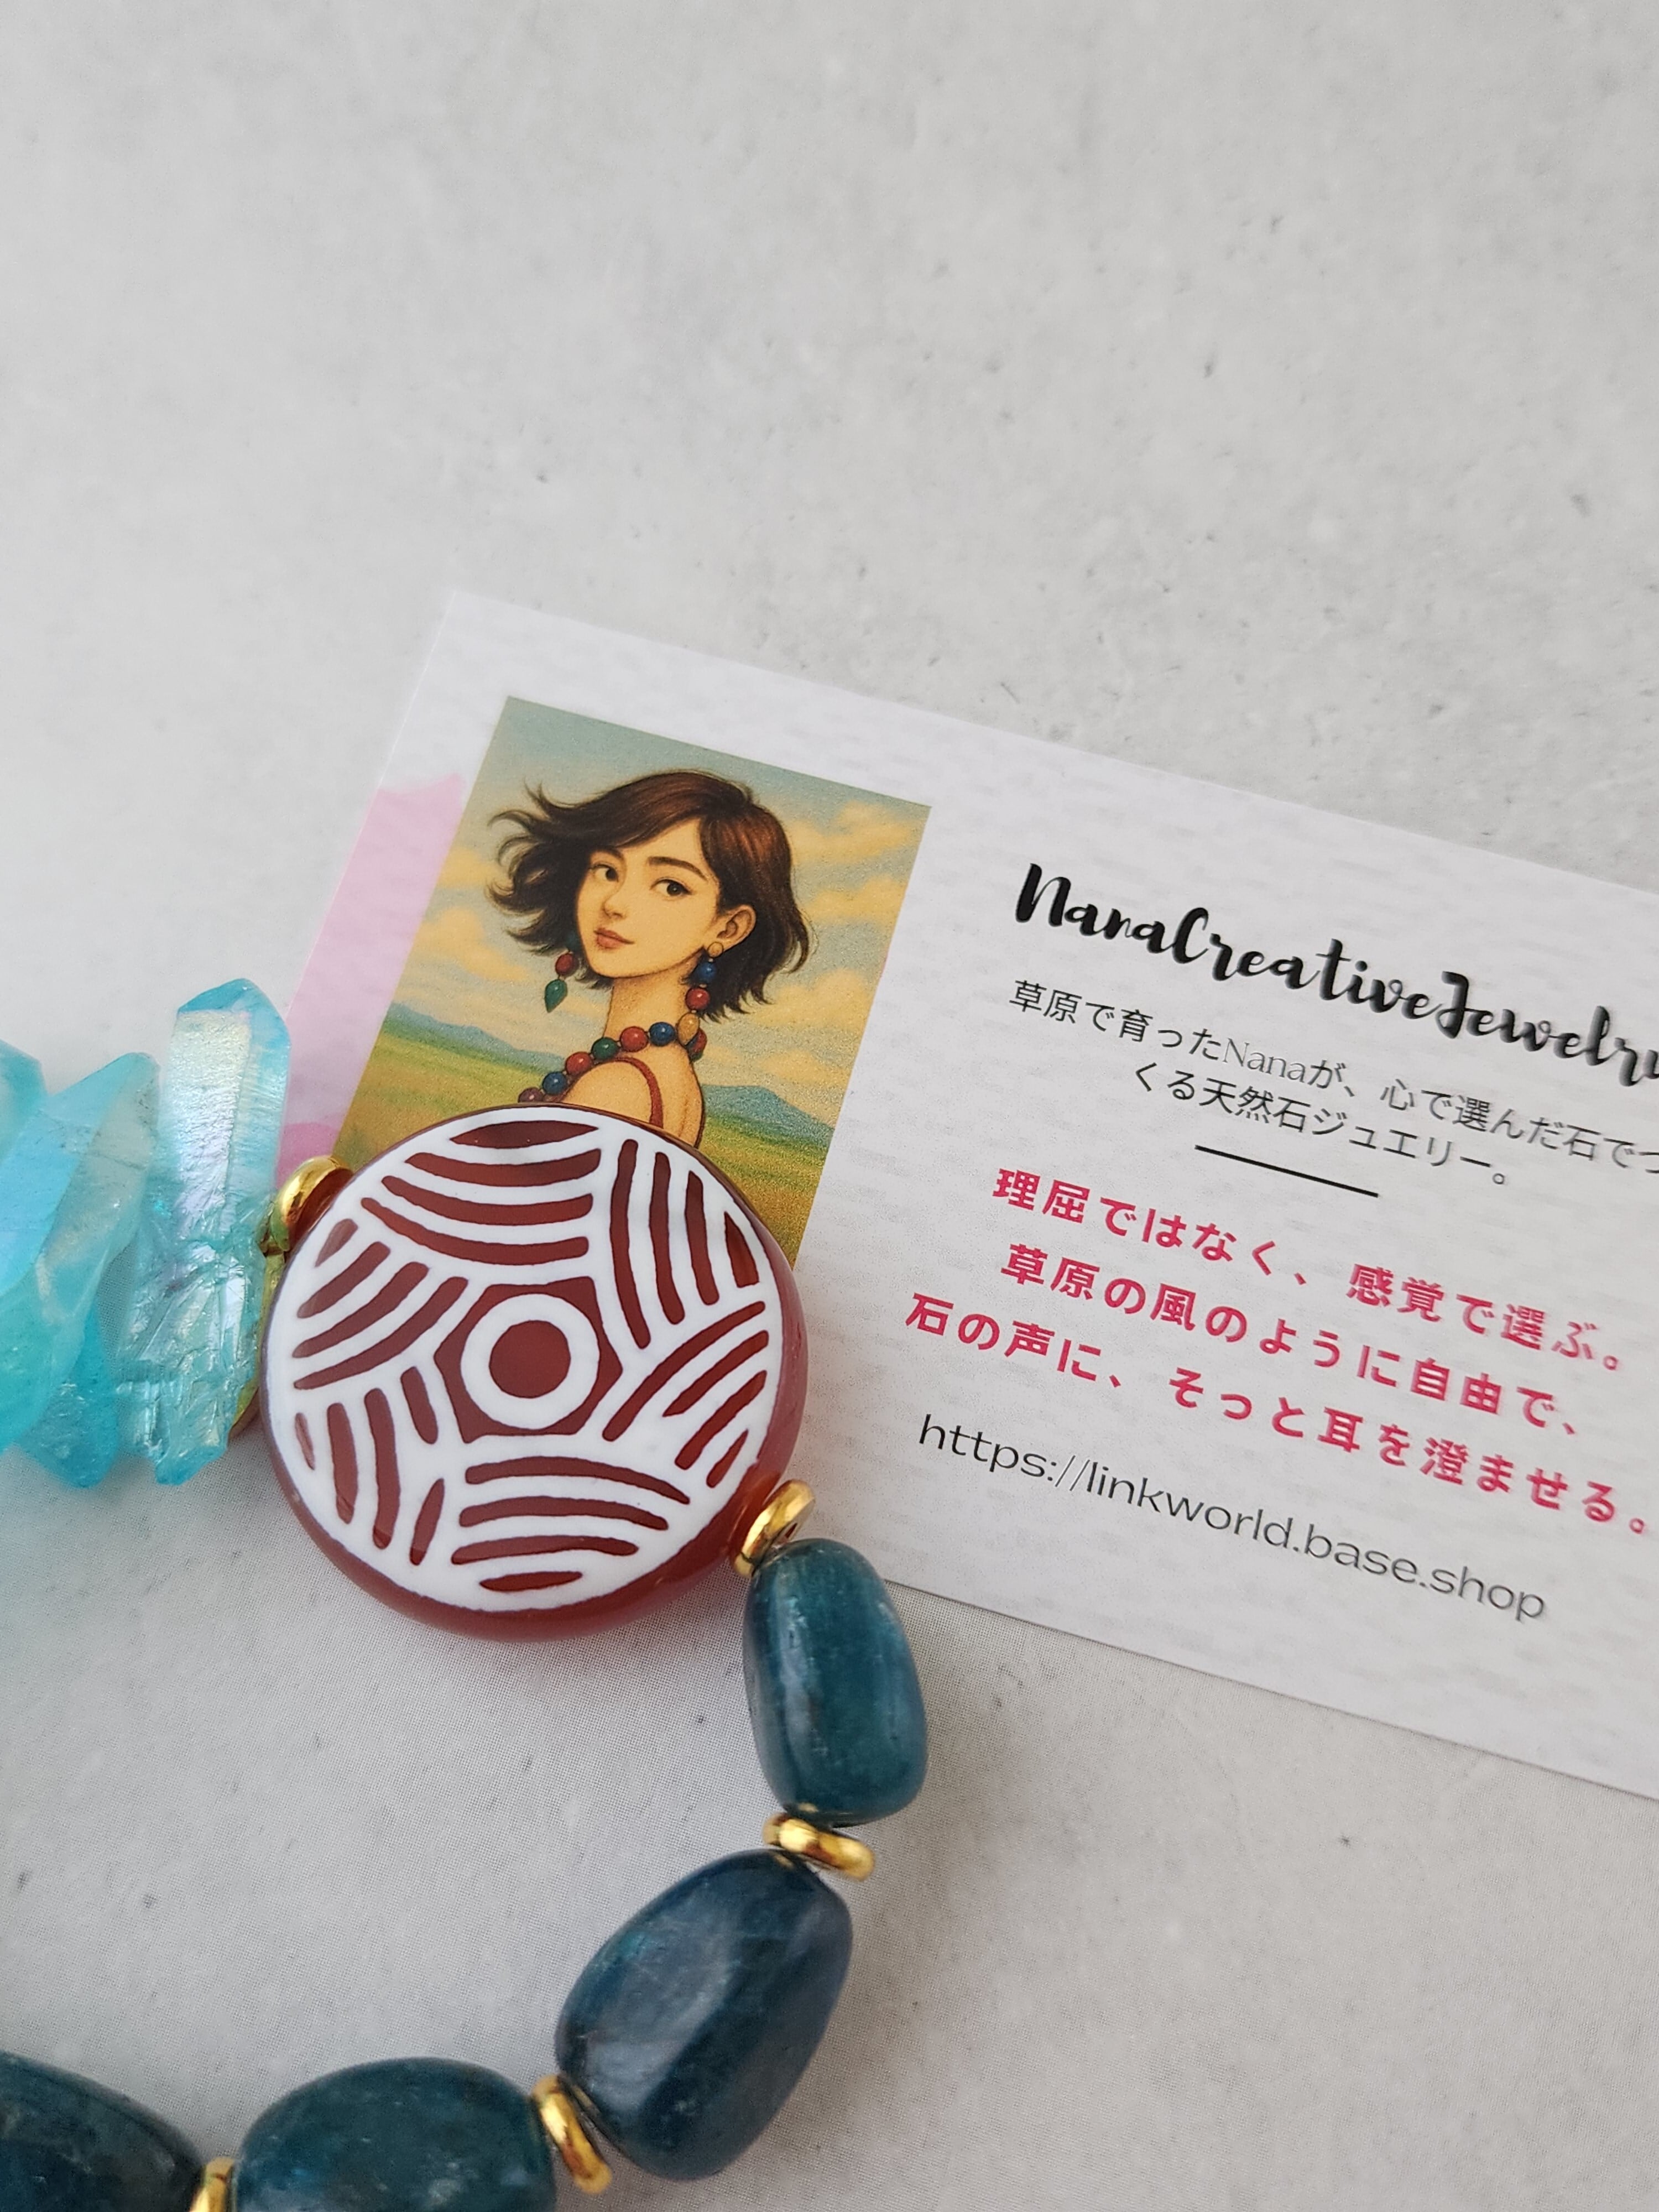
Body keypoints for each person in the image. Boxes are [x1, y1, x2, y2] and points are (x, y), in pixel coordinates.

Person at [491, 769, 810, 1146]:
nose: (615, 903)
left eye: (671, 887)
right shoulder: (670, 1072)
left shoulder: (616, 1087)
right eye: (608, 871)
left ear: (728, 928)